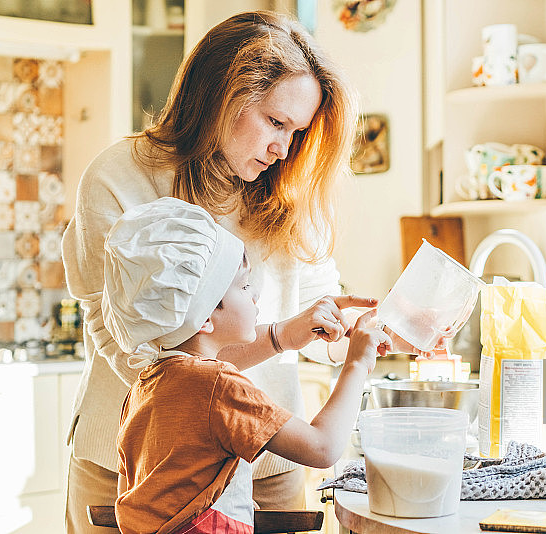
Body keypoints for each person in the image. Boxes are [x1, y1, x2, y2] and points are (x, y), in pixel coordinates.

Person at [61, 10, 429, 533]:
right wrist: (278, 339)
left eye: (297, 133)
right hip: (136, 468)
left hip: (266, 462)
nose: (284, 150)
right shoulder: (118, 176)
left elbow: (319, 313)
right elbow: (141, 353)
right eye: (275, 123)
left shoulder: (288, 187)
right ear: (220, 97)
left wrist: (353, 332)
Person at [102, 197, 390, 534]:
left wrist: (225, 493)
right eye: (243, 285)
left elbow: (168, 488)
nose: (255, 295)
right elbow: (322, 447)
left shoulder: (149, 382)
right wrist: (356, 363)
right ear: (206, 317)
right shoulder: (219, 386)